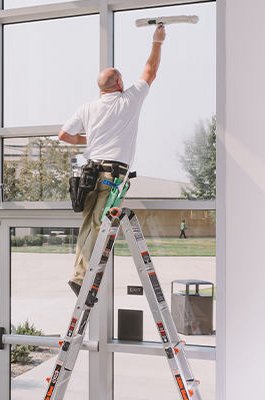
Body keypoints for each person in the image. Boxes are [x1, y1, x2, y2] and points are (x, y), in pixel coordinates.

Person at [58, 24, 167, 296]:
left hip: (88, 174)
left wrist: (90, 140)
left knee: (87, 225)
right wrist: (157, 41)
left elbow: (64, 135)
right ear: (119, 84)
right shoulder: (128, 100)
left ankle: (77, 273)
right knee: (98, 224)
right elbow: (150, 71)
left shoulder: (88, 108)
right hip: (112, 177)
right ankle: (82, 279)